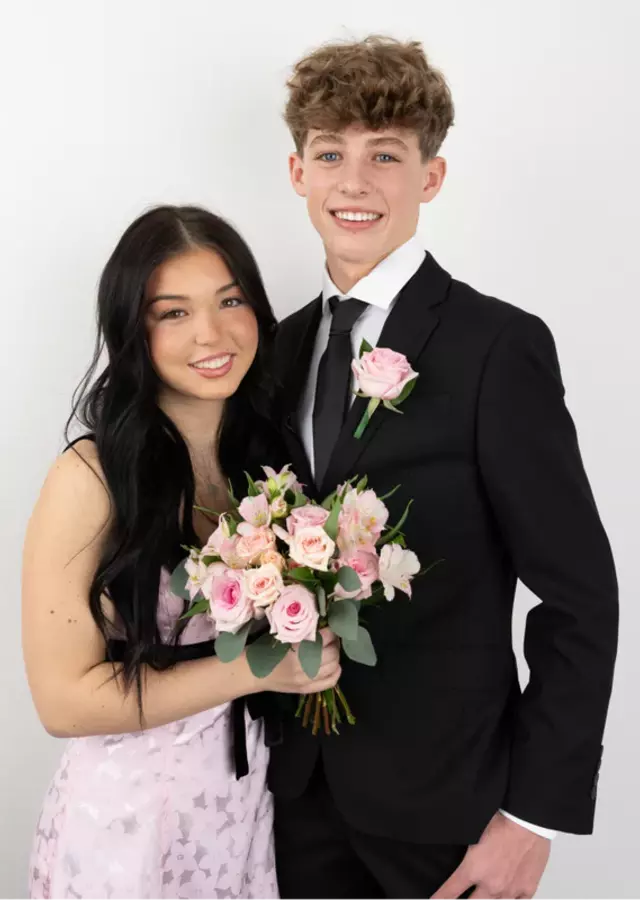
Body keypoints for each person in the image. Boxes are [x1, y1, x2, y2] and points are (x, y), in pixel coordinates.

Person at [269, 36, 619, 900]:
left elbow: (581, 597)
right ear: (297, 173)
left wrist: (533, 817)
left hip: (451, 819)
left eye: (385, 155)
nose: (355, 182)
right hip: (295, 804)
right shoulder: (271, 353)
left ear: (431, 175)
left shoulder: (497, 347)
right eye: (331, 154)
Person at [23, 205, 340, 899]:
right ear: (132, 330)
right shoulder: (91, 477)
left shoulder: (265, 465)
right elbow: (63, 703)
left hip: (240, 817)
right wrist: (260, 670)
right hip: (127, 831)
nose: (211, 333)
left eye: (231, 301)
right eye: (173, 313)